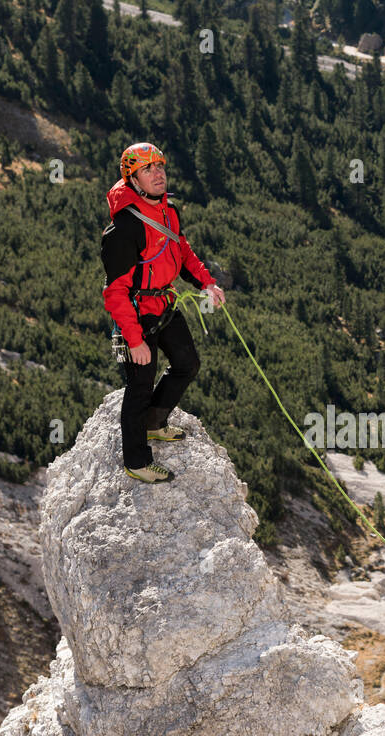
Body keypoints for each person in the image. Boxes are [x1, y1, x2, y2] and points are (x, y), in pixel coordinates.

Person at [101, 141, 225, 483]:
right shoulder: (124, 228)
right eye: (147, 169)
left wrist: (206, 283)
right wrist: (134, 340)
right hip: (136, 312)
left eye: (160, 166)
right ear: (133, 179)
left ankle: (154, 423)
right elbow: (114, 293)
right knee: (139, 385)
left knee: (188, 363)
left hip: (164, 303)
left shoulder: (169, 210)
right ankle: (137, 462)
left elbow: (181, 249)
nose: (158, 174)